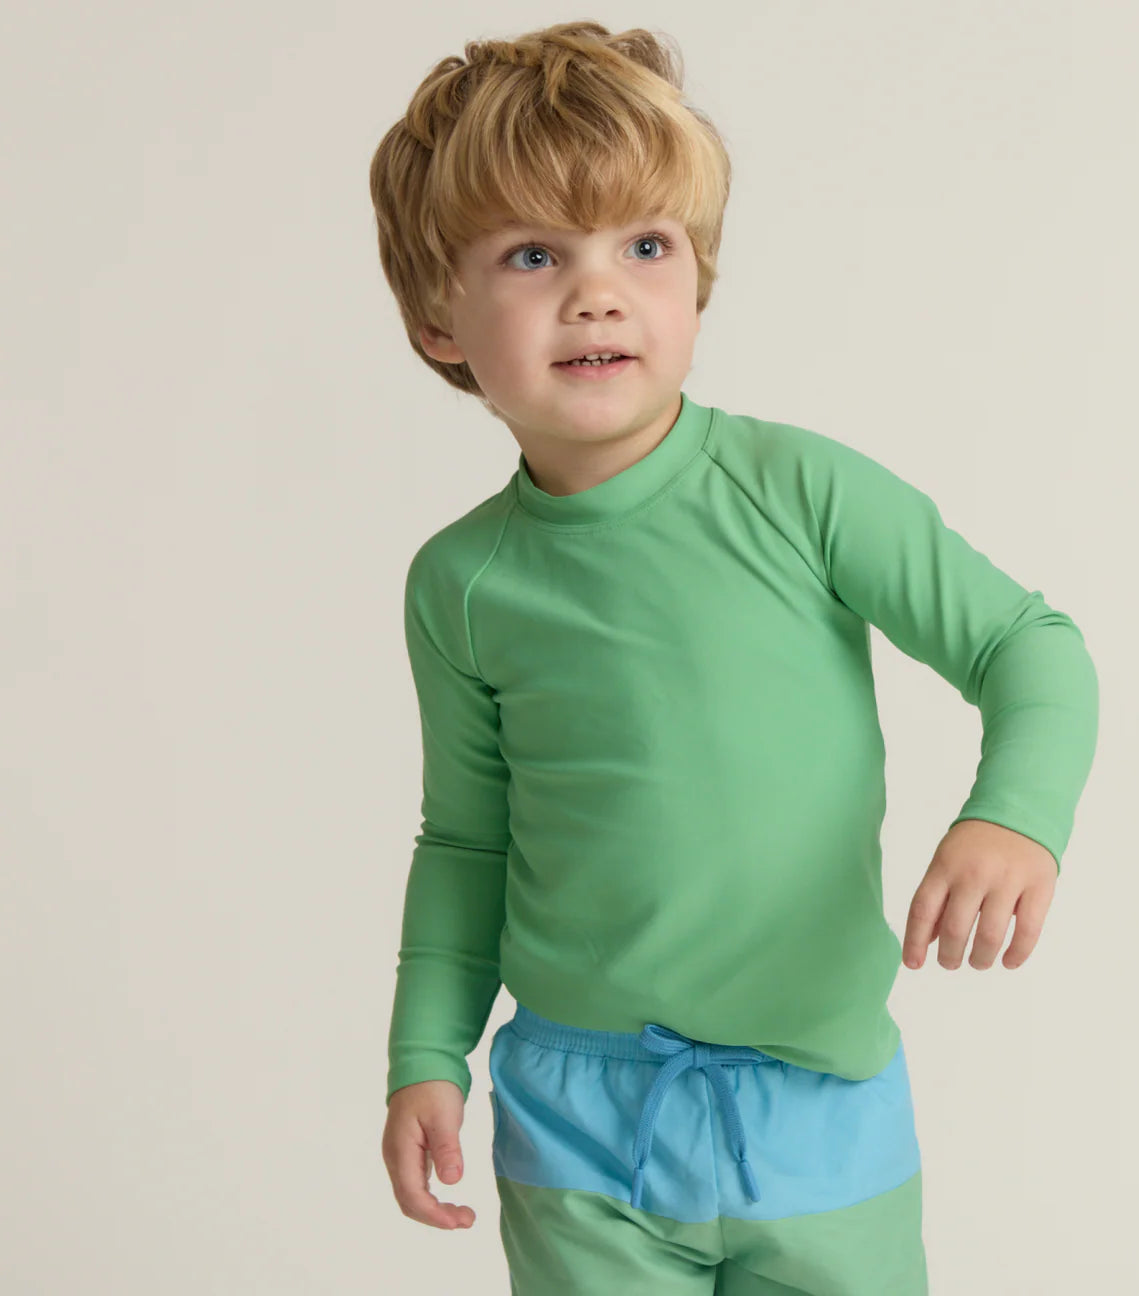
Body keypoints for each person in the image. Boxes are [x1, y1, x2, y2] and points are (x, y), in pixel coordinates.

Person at [369, 20, 1099, 1296]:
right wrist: (426, 1053)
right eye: (535, 254)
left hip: (819, 1105)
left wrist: (1015, 817)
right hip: (582, 1125)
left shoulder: (801, 492)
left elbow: (1025, 644)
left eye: (644, 246)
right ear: (440, 319)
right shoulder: (462, 582)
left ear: (697, 281)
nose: (597, 293)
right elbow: (469, 842)